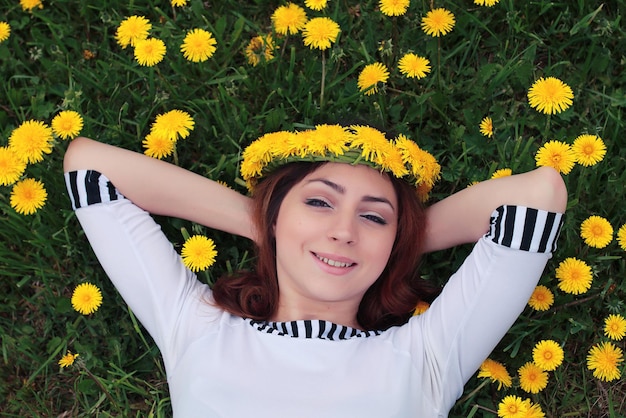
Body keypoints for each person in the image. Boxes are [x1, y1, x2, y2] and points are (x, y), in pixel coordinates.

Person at [63, 123, 567, 417]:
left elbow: (538, 195)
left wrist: (394, 243)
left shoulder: (428, 354)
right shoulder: (194, 327)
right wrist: (269, 222)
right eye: (320, 204)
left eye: (373, 217)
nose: (344, 231)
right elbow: (89, 167)